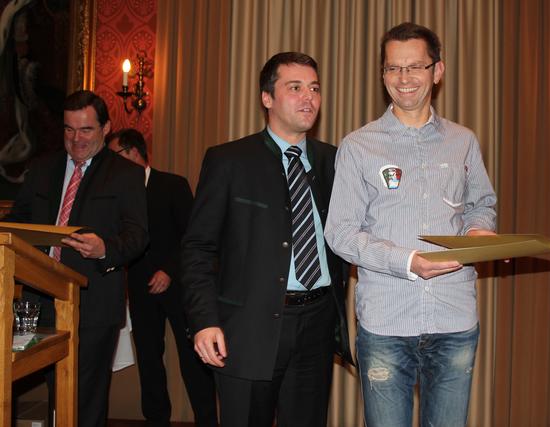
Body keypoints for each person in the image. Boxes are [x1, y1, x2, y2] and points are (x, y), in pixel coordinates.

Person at [324, 22, 498, 427]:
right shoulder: (358, 146)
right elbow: (340, 233)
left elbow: (481, 205)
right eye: (393, 68)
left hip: (455, 319)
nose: (404, 78)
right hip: (386, 323)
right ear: (383, 73)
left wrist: (478, 231)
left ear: (437, 71)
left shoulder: (464, 141)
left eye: (415, 66)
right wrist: (407, 261)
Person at [181, 51, 353, 427]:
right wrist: (204, 320)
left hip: (317, 325)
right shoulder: (229, 160)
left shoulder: (335, 162)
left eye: (315, 89)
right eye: (295, 88)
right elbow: (197, 248)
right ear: (267, 98)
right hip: (247, 329)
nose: (308, 98)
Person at [7, 90, 148, 427]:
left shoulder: (125, 174)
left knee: (85, 399)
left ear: (106, 128)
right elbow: (17, 221)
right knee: (53, 395)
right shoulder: (42, 169)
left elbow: (137, 236)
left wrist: (104, 249)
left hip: (93, 302)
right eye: (69, 129)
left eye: (86, 130)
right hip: (37, 301)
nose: (76, 139)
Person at [107, 128, 218, 427]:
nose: (110, 163)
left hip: (180, 285)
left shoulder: (172, 184)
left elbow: (192, 236)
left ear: (133, 152)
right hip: (138, 287)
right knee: (148, 360)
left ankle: (207, 421)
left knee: (193, 358)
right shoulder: (118, 193)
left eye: (114, 155)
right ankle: (156, 421)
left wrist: (169, 270)